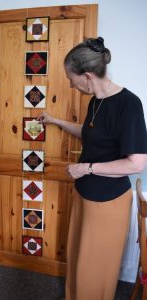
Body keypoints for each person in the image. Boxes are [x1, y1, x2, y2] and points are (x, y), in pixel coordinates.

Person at [37, 37, 147, 300]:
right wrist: (55, 121)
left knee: (95, 268)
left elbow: (137, 163)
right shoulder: (95, 101)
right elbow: (90, 134)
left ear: (87, 76)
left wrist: (86, 168)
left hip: (108, 202)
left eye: (70, 78)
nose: (69, 84)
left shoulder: (129, 104)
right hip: (84, 195)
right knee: (78, 259)